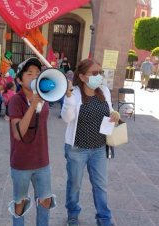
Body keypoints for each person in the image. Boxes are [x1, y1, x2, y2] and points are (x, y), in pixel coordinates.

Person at [61, 59, 120, 226]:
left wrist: (114, 114)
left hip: (99, 148)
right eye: (95, 73)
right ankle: (73, 214)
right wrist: (69, 97)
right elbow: (67, 118)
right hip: (77, 149)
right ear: (82, 76)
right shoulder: (75, 93)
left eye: (100, 72)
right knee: (75, 185)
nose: (99, 76)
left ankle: (104, 218)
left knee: (101, 185)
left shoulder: (104, 91)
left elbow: (110, 110)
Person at [8, 57, 56, 226]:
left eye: (37, 73)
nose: (35, 76)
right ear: (19, 80)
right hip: (21, 163)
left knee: (45, 201)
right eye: (29, 73)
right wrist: (32, 105)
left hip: (42, 160)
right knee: (19, 203)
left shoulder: (45, 97)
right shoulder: (16, 101)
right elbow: (18, 133)